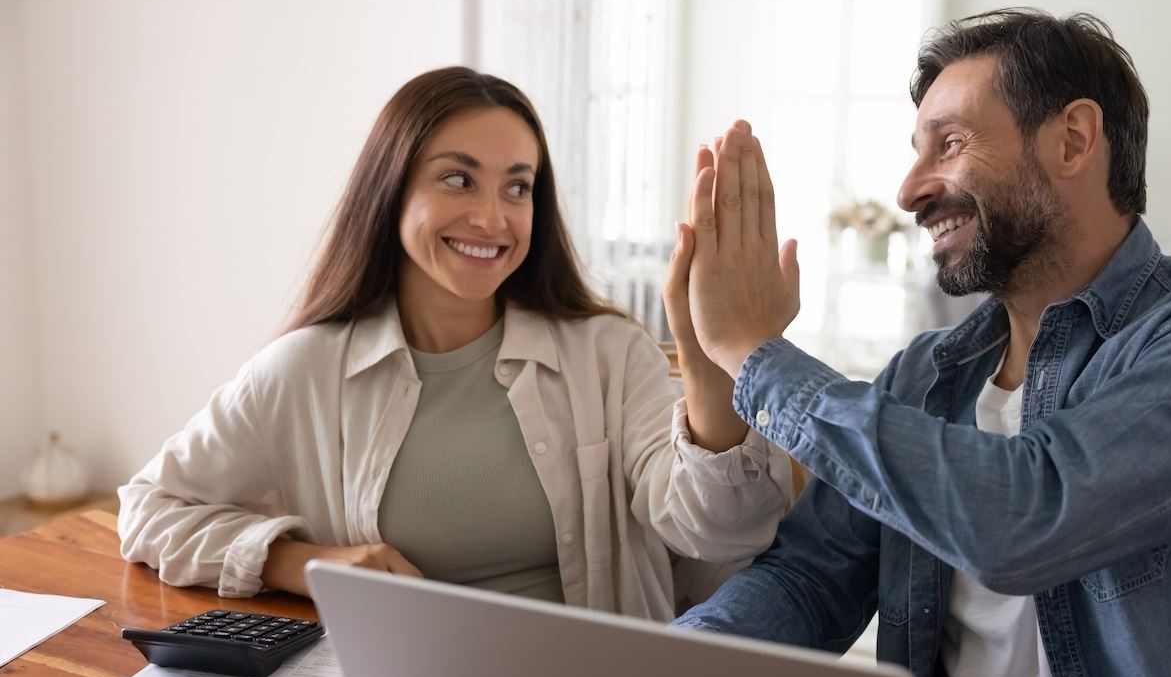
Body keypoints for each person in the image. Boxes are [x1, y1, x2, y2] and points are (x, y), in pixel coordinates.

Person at [668, 9, 1171, 677]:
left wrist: (755, 355)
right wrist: (654, 670)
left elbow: (1027, 518)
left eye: (948, 143)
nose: (910, 190)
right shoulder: (922, 376)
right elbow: (809, 581)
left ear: (1072, 140)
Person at [118, 67, 792, 622]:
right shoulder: (306, 370)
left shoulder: (608, 354)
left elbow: (721, 530)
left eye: (518, 187)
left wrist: (707, 363)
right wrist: (302, 562)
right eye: (458, 179)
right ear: (391, 190)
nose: (492, 218)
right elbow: (149, 510)